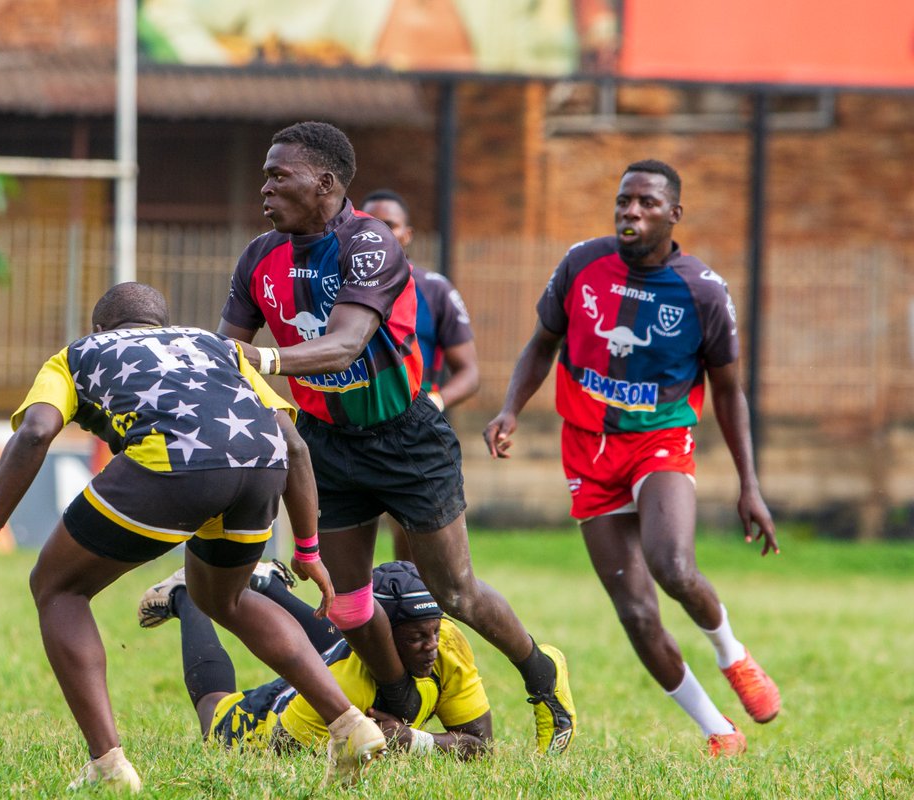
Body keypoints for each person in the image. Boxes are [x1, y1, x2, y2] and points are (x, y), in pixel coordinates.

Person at [0, 282, 387, 791]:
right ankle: (348, 724)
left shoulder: (77, 354)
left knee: (58, 588)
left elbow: (36, 431)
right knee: (225, 599)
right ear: (162, 324)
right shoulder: (218, 345)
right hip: (262, 466)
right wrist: (306, 549)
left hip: (174, 464)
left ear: (100, 328)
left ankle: (107, 766)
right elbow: (296, 446)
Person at [217, 120, 575, 755]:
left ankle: (543, 674)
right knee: (348, 601)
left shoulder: (370, 244)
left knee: (455, 592)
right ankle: (397, 696)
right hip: (326, 443)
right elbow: (228, 350)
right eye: (264, 175)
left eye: (279, 175)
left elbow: (346, 344)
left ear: (324, 182)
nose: (264, 187)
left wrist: (262, 363)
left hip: (406, 437)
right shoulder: (258, 256)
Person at [483, 159, 782, 757]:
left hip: (659, 440)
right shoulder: (580, 264)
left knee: (672, 566)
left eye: (646, 203)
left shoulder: (702, 291)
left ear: (674, 215)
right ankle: (718, 732)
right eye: (624, 201)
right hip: (586, 450)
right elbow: (541, 345)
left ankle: (732, 653)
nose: (631, 212)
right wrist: (511, 409)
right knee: (637, 612)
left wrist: (750, 485)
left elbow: (728, 390)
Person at [139, 560, 493, 759]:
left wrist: (411, 741)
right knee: (213, 714)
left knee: (349, 634)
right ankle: (187, 593)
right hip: (273, 716)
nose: (432, 645)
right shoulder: (346, 683)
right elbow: (282, 753)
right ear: (387, 635)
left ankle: (268, 585)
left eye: (433, 630)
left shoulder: (448, 644)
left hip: (347, 659)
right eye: (417, 637)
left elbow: (482, 746)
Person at [360, 188, 480, 563]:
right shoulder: (336, 286)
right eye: (370, 225)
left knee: (414, 557)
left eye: (390, 225)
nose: (379, 233)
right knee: (349, 562)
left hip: (412, 431)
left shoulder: (434, 289)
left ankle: (415, 614)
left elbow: (469, 372)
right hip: (350, 432)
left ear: (407, 234)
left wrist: (436, 401)